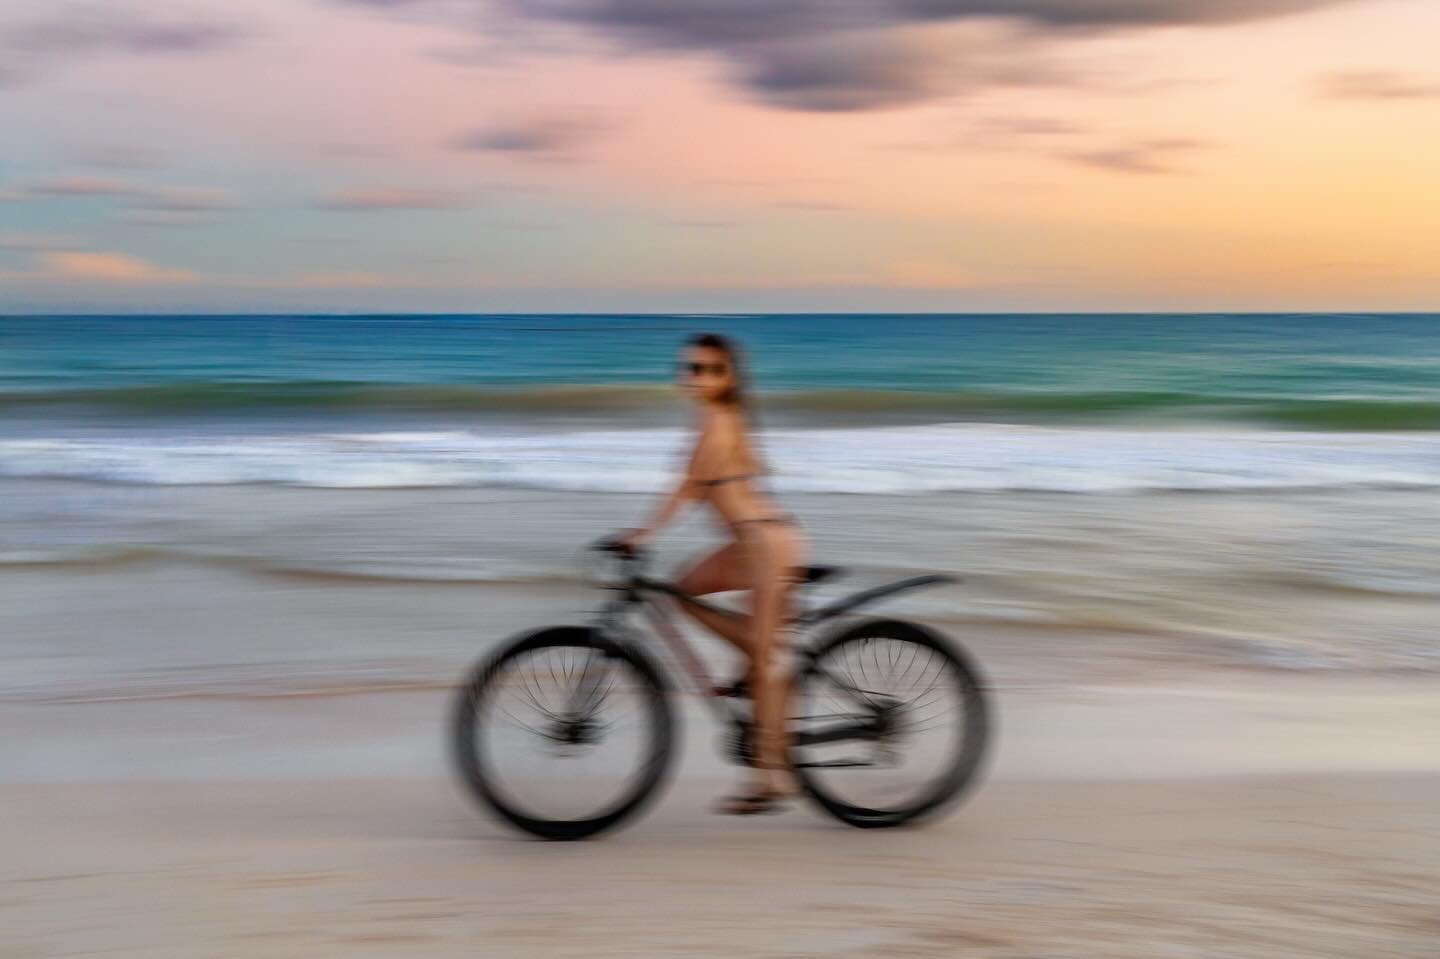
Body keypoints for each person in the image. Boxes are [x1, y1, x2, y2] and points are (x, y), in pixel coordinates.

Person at [614, 332, 808, 815]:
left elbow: (689, 489)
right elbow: (695, 487)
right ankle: (757, 655)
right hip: (752, 543)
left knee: (765, 663)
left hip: (766, 547)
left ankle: (770, 781)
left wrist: (642, 534)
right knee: (682, 590)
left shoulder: (718, 424)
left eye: (707, 369)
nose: (694, 377)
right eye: (689, 368)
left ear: (729, 377)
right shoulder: (718, 418)